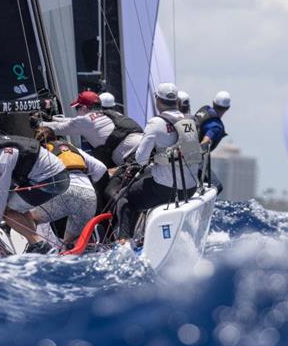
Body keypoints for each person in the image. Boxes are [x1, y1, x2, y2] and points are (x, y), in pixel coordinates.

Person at [117, 83, 202, 239]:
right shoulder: (189, 122)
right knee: (148, 183)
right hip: (190, 188)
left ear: (157, 100)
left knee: (125, 198)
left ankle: (124, 244)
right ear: (177, 101)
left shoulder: (156, 123)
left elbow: (141, 160)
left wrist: (154, 158)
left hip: (166, 190)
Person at [0, 131, 69, 254]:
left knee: (7, 212)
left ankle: (39, 244)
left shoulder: (0, 162)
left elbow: (1, 199)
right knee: (18, 206)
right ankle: (35, 243)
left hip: (51, 182)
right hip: (58, 177)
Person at [32, 127, 107, 248]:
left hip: (65, 191)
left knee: (30, 218)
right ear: (55, 137)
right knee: (70, 244)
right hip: (89, 195)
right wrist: (90, 184)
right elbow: (101, 168)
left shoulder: (41, 153)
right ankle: (75, 244)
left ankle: (43, 247)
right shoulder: (73, 149)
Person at [38, 91, 142, 168]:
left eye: (77, 108)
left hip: (133, 158)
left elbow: (57, 128)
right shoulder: (109, 114)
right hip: (144, 146)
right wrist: (53, 118)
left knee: (108, 193)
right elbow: (73, 121)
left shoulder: (85, 121)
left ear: (84, 108)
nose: (76, 112)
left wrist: (38, 122)